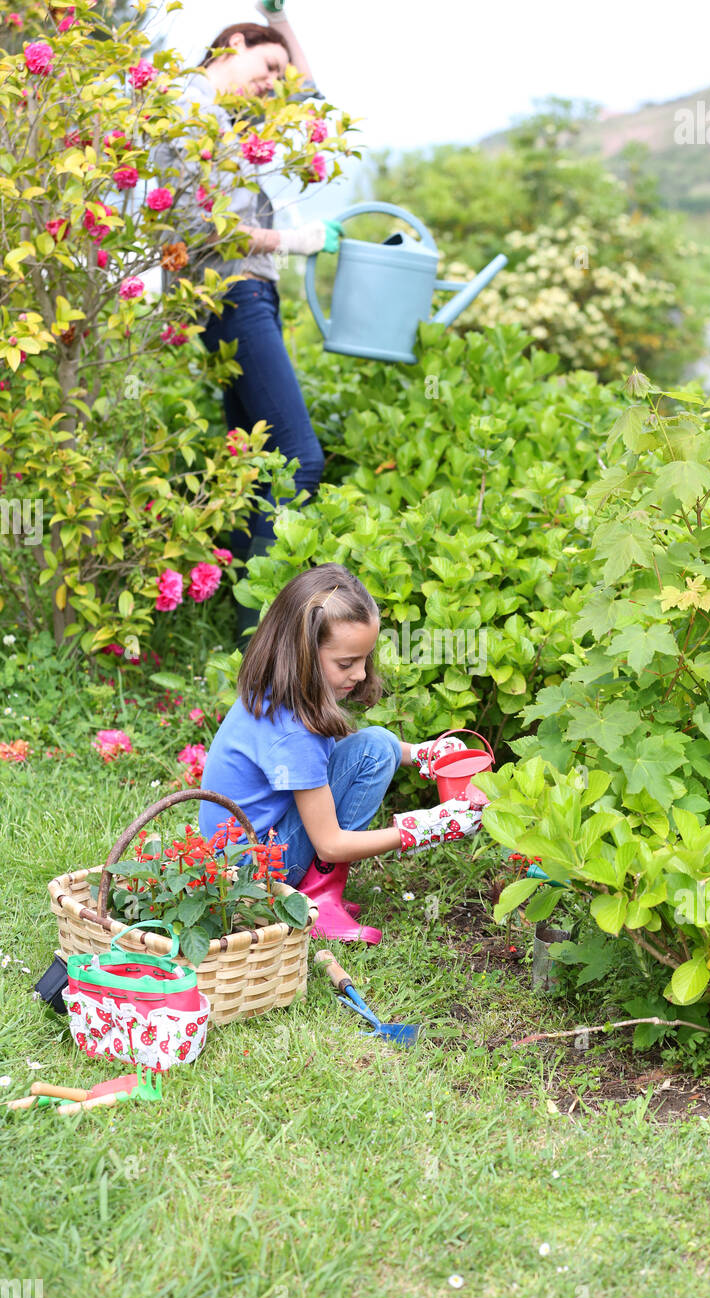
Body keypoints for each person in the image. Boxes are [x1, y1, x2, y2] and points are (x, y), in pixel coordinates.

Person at [155, 8, 343, 638]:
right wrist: (298, 239)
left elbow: (312, 106)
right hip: (231, 293)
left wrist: (280, 21)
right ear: (231, 43)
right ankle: (264, 649)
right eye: (266, 67)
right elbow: (210, 227)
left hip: (245, 295)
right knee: (297, 459)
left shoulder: (230, 118)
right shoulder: (196, 110)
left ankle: (240, 644)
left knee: (254, 465)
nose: (272, 84)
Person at [198, 564, 487, 945]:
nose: (362, 674)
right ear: (301, 654)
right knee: (372, 752)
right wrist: (426, 827)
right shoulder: (291, 733)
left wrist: (422, 754)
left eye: (365, 659)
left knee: (378, 744)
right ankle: (316, 900)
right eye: (346, 664)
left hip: (237, 858)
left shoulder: (278, 695)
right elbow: (330, 843)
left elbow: (347, 749)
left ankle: (320, 890)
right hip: (250, 878)